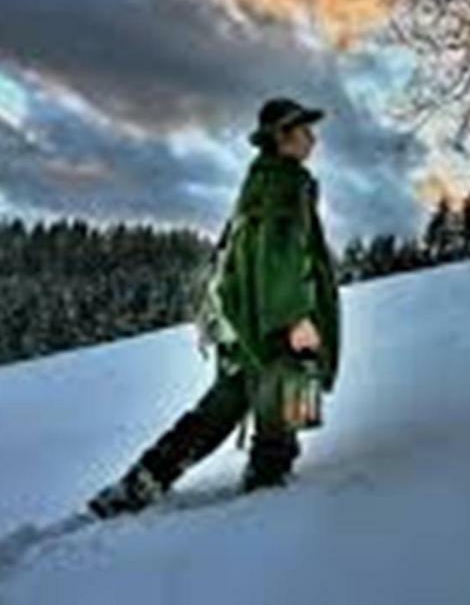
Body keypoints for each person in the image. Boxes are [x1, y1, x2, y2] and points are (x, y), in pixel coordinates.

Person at [88, 97, 342, 517]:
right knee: (282, 399)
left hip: (242, 324)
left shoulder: (258, 181)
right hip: (271, 322)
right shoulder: (285, 183)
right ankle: (266, 498)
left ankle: (141, 482)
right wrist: (295, 319)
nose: (312, 138)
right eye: (304, 130)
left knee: (220, 409)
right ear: (281, 137)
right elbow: (280, 257)